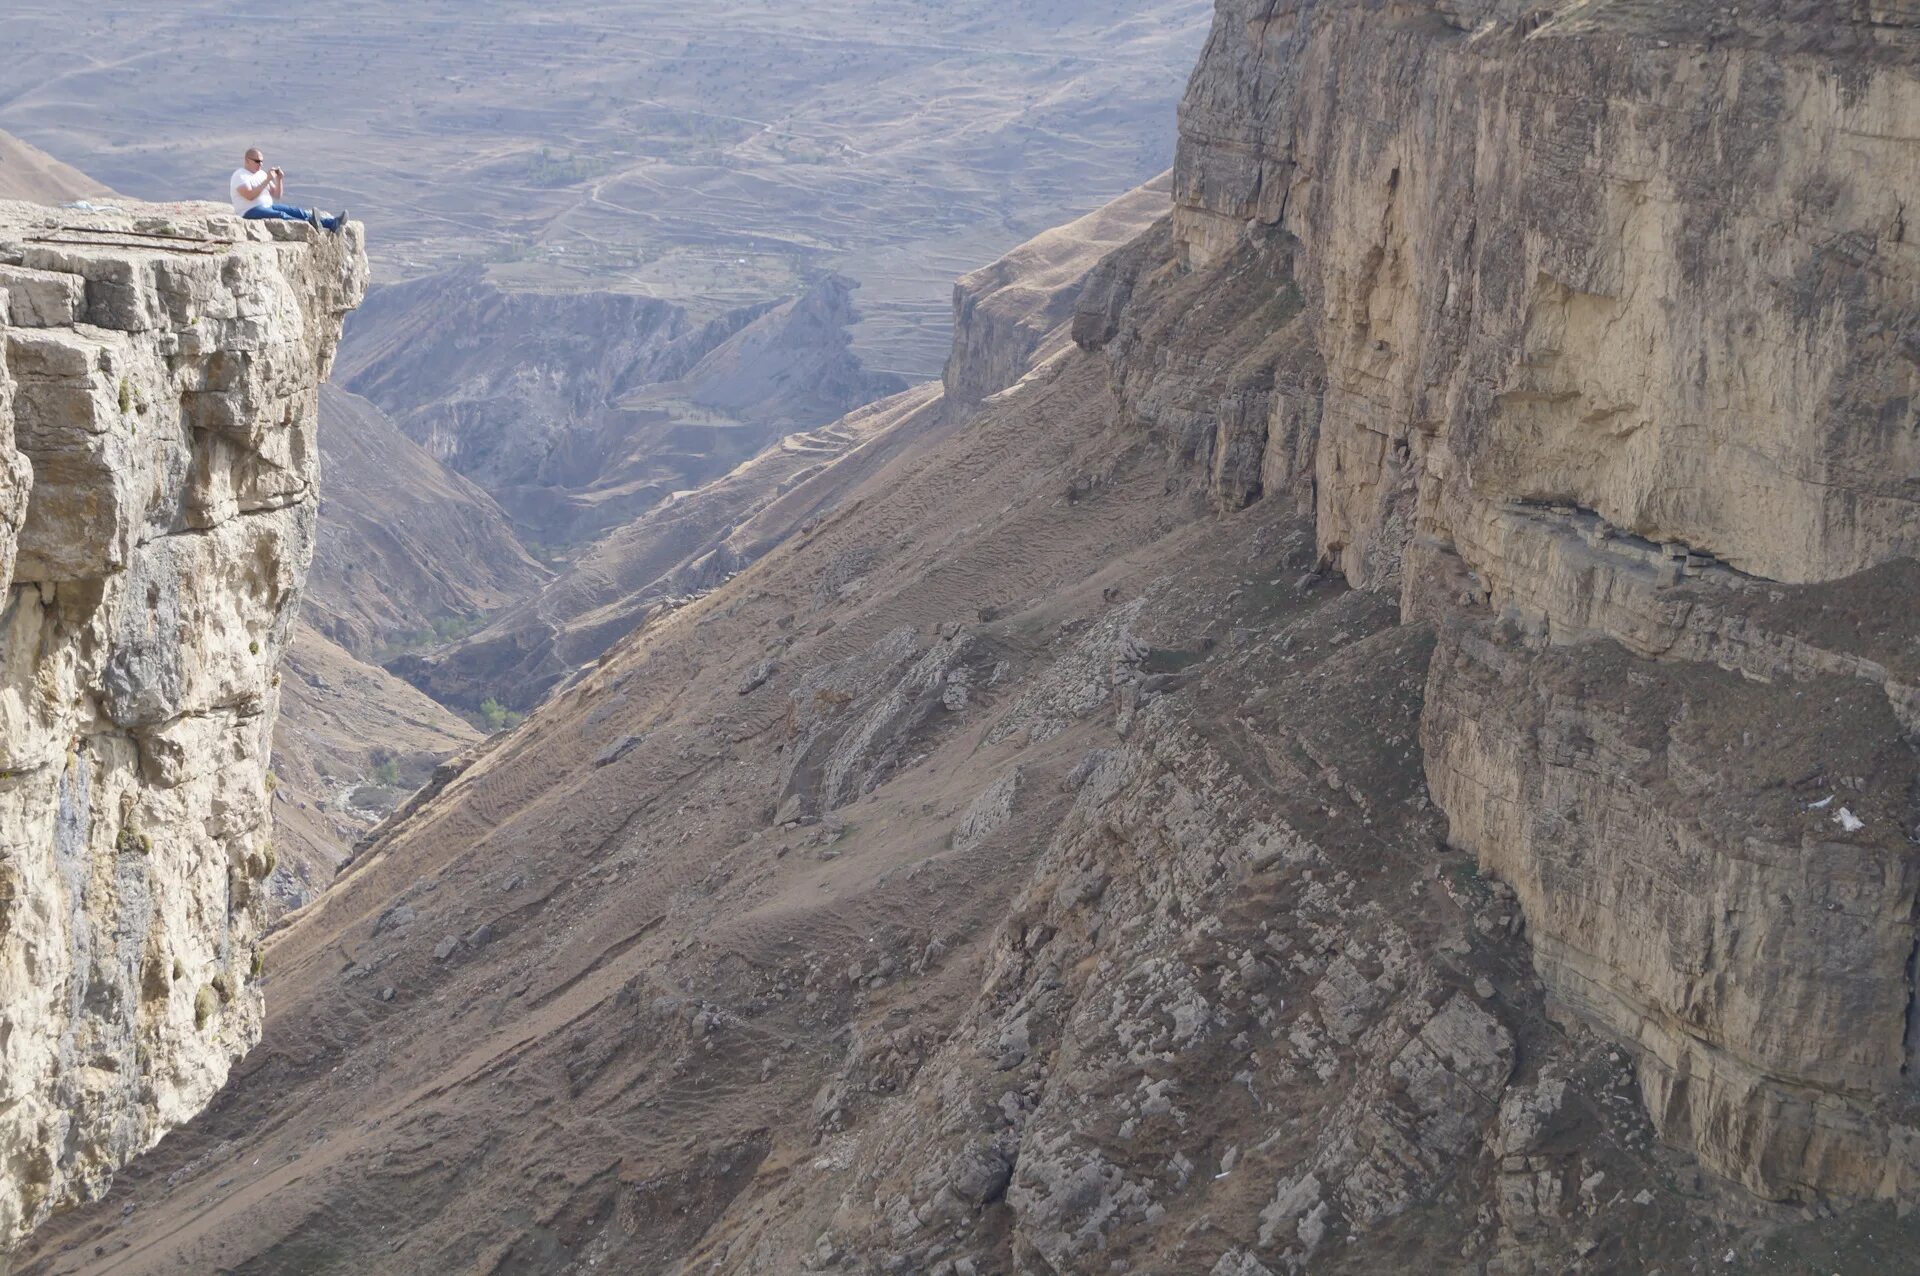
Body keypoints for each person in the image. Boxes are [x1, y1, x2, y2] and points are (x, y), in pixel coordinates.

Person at [229, 148, 347, 231]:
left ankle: (331, 223)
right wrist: (267, 180)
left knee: (296, 211)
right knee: (281, 215)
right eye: (257, 161)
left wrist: (279, 179)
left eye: (262, 161)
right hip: (250, 210)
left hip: (267, 206)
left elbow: (277, 195)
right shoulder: (240, 175)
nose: (260, 164)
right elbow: (249, 196)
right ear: (247, 160)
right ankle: (309, 224)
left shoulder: (261, 174)